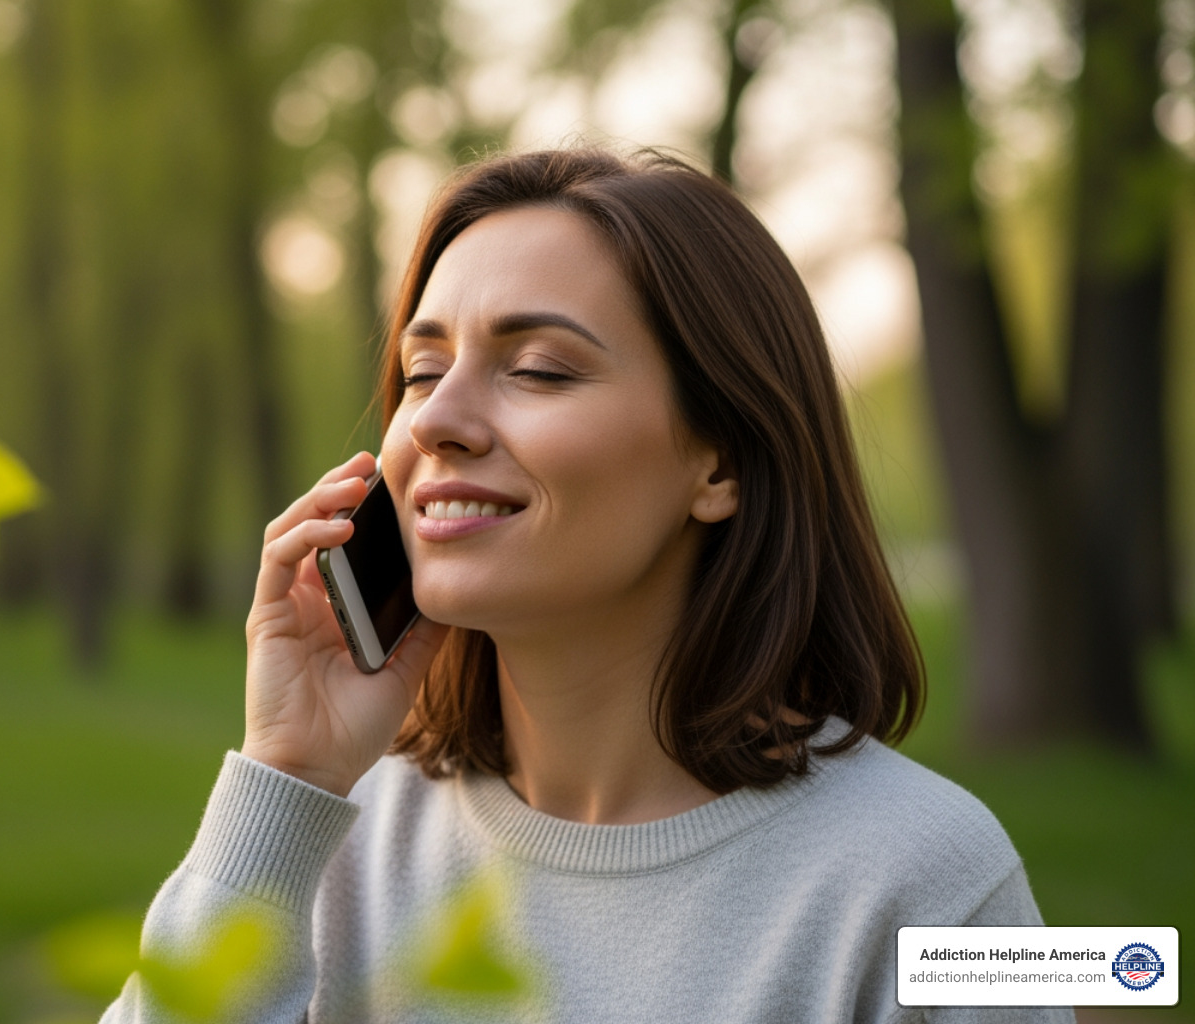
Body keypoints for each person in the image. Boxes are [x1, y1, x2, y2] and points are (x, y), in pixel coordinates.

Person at [100, 147, 1071, 1023]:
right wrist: (290, 778)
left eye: (537, 369)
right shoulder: (332, 840)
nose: (438, 419)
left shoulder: (930, 879)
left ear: (720, 464)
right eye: (422, 368)